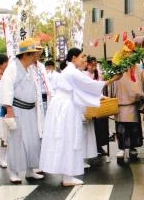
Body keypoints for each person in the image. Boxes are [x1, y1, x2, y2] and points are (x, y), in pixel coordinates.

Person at [39, 48, 122, 186]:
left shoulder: (71, 71)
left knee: (68, 141)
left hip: (64, 106)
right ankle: (67, 176)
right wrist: (114, 79)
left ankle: (68, 175)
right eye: (82, 56)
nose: (84, 59)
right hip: (66, 108)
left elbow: (83, 88)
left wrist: (101, 96)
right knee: (69, 140)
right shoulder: (72, 72)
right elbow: (90, 85)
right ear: (73, 58)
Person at [0, 39, 44, 183]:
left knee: (32, 141)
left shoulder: (30, 68)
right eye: (33, 54)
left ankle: (30, 170)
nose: (36, 56)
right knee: (17, 141)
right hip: (17, 110)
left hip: (30, 111)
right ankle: (14, 172)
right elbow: (6, 89)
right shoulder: (12, 68)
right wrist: (9, 111)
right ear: (25, 55)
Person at [113, 62, 144, 161]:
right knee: (121, 129)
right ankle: (122, 148)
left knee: (133, 129)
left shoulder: (138, 68)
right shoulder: (117, 67)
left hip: (132, 104)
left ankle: (132, 147)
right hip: (120, 104)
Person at [86, 56, 109, 156]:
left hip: (99, 100)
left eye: (95, 65)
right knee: (93, 126)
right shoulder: (84, 74)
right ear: (87, 65)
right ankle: (94, 147)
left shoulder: (98, 73)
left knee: (101, 125)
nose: (93, 67)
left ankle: (100, 146)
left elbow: (100, 86)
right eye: (92, 65)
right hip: (89, 102)